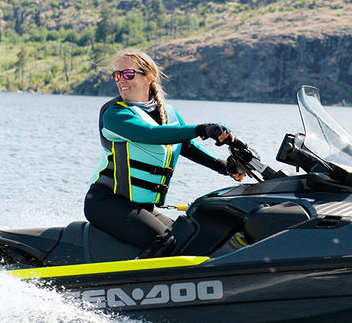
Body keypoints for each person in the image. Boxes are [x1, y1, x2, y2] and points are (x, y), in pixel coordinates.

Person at [85, 49, 244, 258]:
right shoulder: (115, 113)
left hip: (142, 206)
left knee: (188, 235)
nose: (121, 80)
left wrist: (226, 168)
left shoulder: (168, 112)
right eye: (117, 75)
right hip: (106, 202)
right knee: (164, 240)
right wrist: (201, 129)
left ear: (149, 77)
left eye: (128, 74)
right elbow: (150, 134)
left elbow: (185, 146)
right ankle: (133, 287)